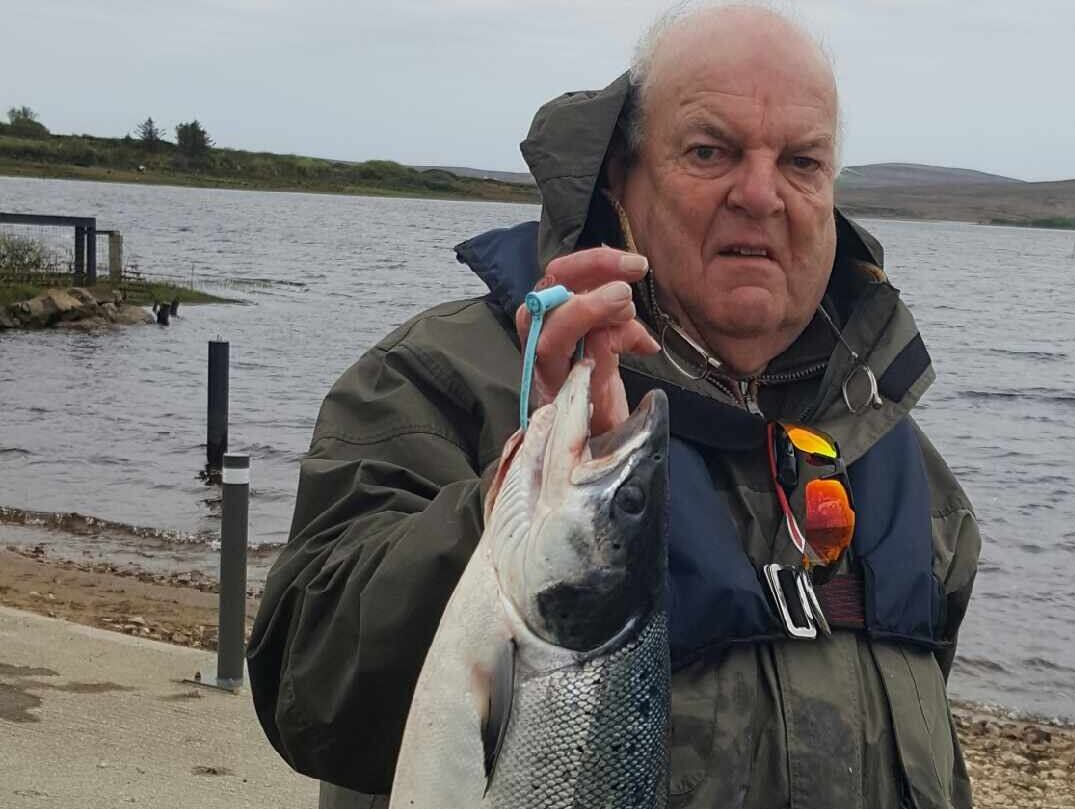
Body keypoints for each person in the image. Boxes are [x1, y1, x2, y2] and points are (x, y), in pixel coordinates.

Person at [247, 4, 982, 808]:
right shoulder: (443, 378)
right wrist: (512, 508)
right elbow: (308, 682)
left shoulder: (904, 469)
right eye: (711, 151)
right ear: (619, 178)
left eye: (802, 162)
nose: (761, 194)